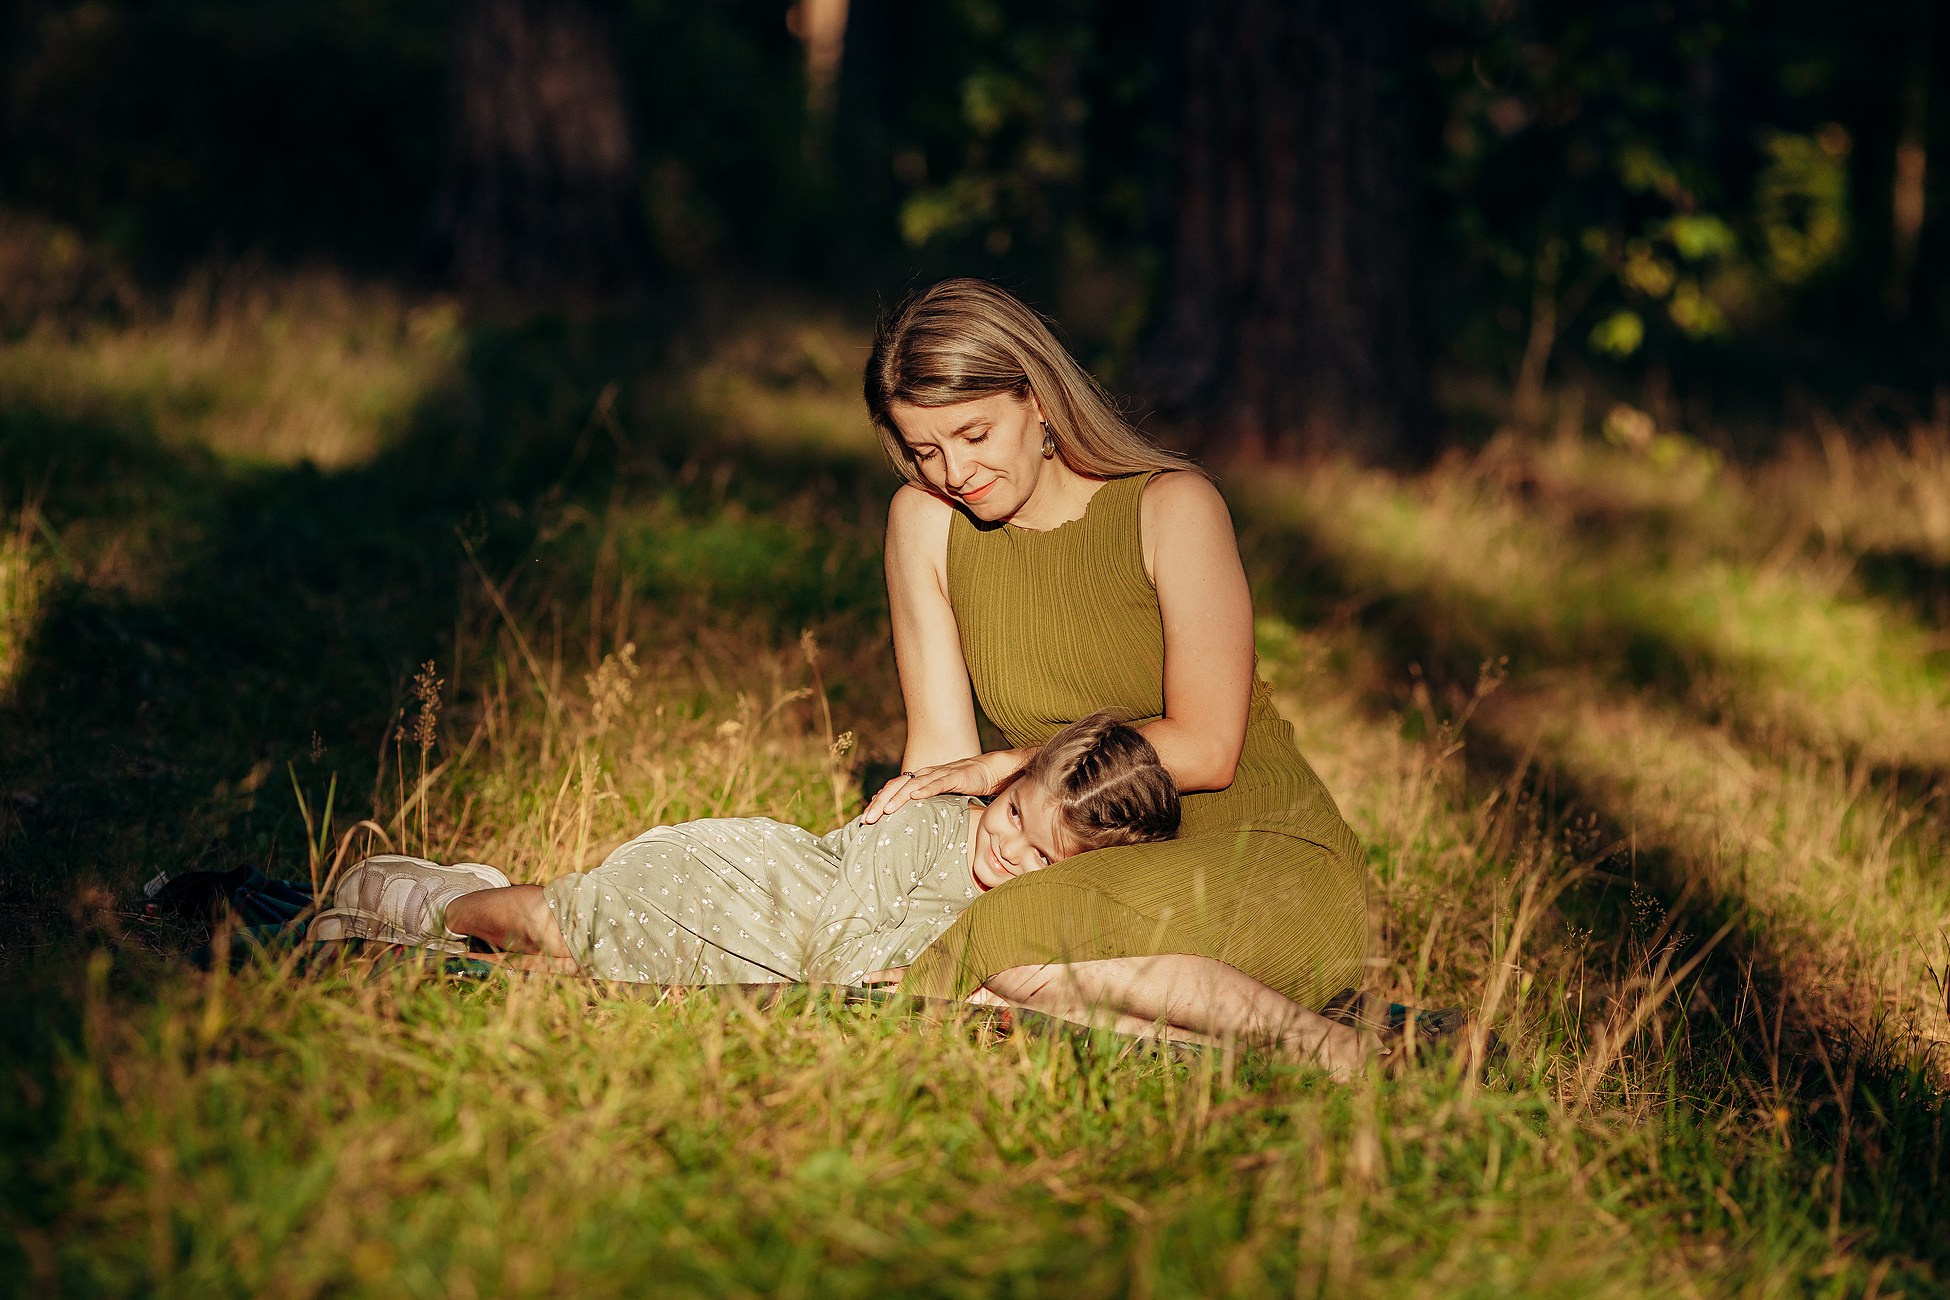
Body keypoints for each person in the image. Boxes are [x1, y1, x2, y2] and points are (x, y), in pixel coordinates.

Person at [858, 277, 1372, 1077]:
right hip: (1075, 873)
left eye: (973, 433)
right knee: (1007, 969)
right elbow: (938, 762)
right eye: (926, 449)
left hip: (1260, 858)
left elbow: (1206, 749)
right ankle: (1308, 1050)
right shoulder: (924, 523)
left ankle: (1326, 1047)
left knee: (999, 940)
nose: (954, 470)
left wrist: (1010, 763)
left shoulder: (1171, 506)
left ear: (1038, 400)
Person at [308, 714, 1180, 987]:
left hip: (747, 964)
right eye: (1016, 813)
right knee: (560, 921)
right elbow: (847, 940)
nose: (1012, 848)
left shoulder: (1017, 909)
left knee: (585, 977)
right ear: (1006, 782)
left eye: (1042, 857)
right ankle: (446, 899)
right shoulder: (925, 827)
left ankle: (441, 940)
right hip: (722, 888)